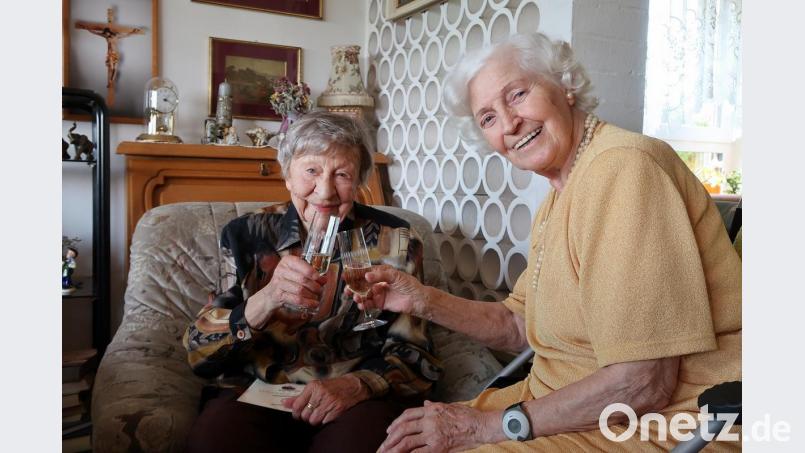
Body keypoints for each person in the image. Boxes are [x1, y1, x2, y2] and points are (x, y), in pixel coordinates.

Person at [358, 32, 741, 452]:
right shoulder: (563, 188)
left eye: (518, 94)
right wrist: (421, 300)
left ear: (566, 87)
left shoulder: (624, 170)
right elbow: (519, 325)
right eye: (487, 118)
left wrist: (485, 427)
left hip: (659, 425)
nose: (508, 123)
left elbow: (643, 382)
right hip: (570, 408)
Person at [183, 111, 442, 453]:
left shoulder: (395, 241)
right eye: (311, 171)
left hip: (354, 399)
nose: (325, 191)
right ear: (287, 175)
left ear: (360, 180)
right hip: (258, 392)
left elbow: (416, 353)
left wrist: (359, 384)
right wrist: (268, 297)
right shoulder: (247, 235)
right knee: (216, 436)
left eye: (342, 174)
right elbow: (199, 352)